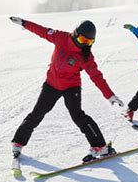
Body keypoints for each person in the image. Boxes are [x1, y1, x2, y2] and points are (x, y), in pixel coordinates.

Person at [9, 17, 124, 162]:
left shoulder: (86, 56)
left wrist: (109, 95)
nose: (84, 44)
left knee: (78, 116)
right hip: (51, 85)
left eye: (89, 42)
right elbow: (42, 31)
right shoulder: (61, 37)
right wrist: (25, 24)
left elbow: (96, 76)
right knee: (37, 113)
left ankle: (100, 146)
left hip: (71, 87)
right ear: (75, 33)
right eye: (83, 40)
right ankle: (18, 142)